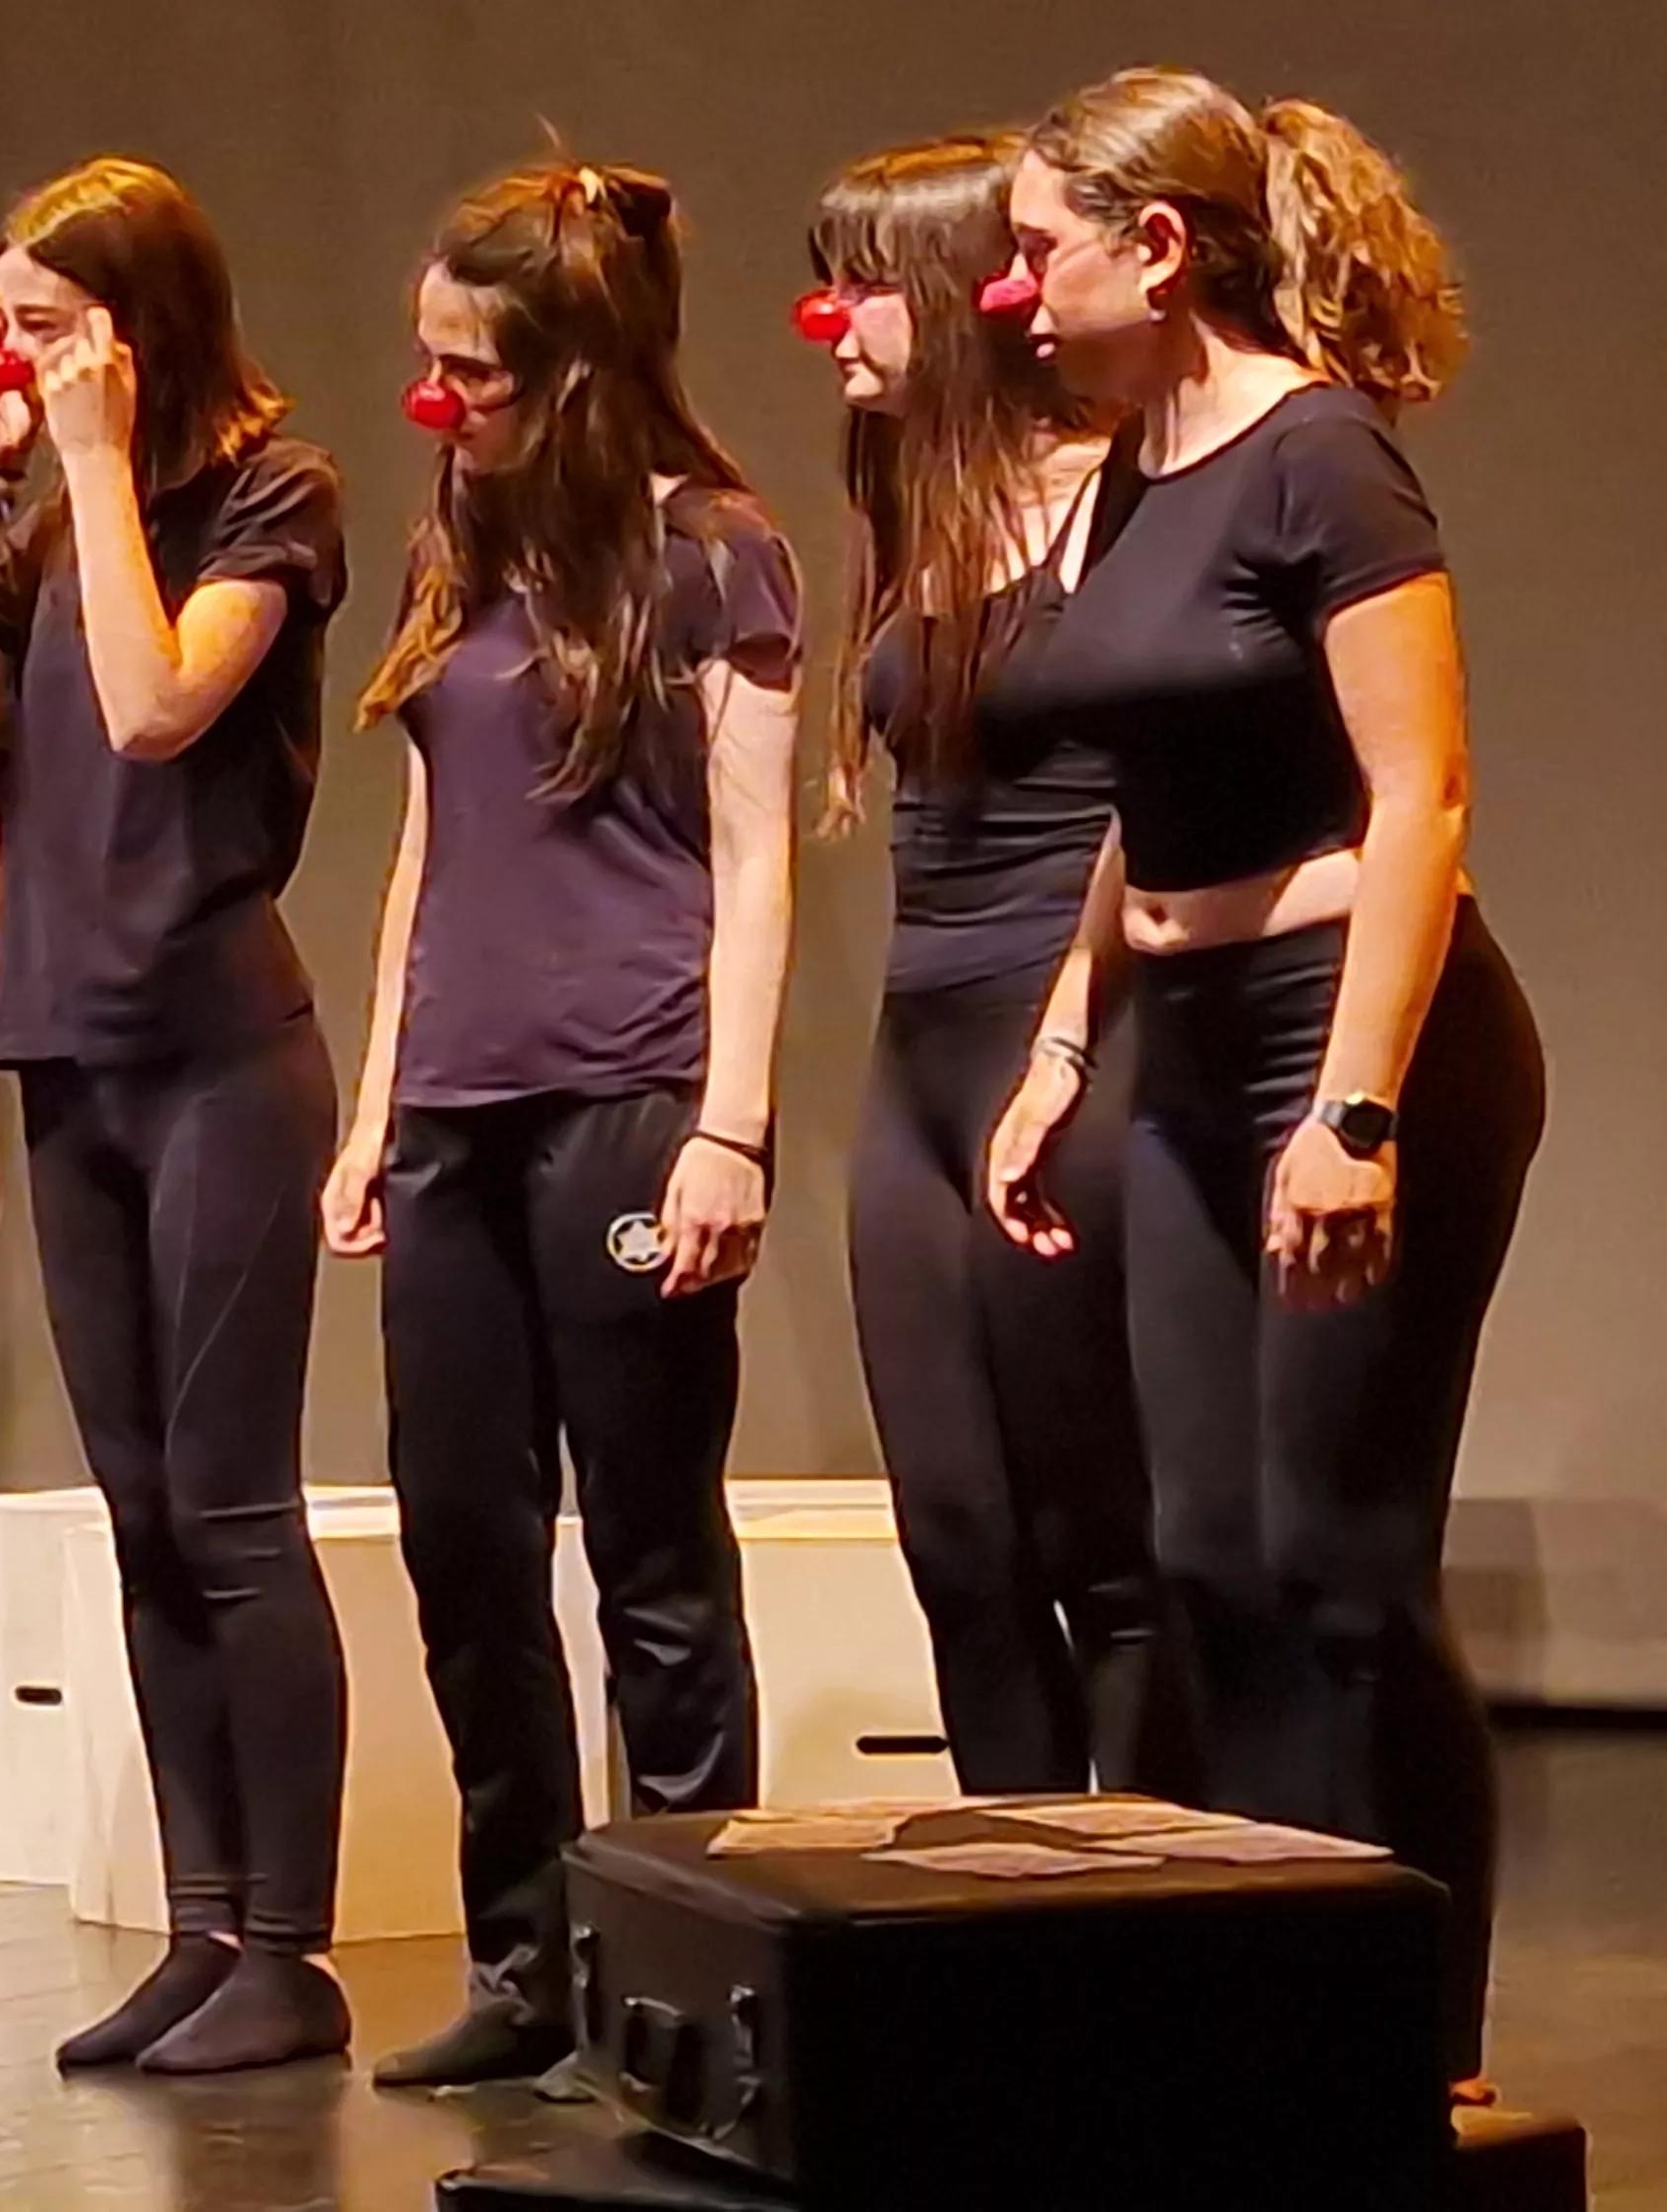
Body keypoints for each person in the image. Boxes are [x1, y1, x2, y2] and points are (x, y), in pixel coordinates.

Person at [990, 69, 1542, 2091]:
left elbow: (1422, 797)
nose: (1012, 287)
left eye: (1040, 245)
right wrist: (1065, 1040)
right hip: (1177, 1044)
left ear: (1156, 247)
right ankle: (1272, 1993)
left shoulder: (1323, 460)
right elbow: (1145, 801)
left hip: (1354, 1031)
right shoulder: (1128, 469)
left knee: (1334, 1562)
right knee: (1204, 1553)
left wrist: (1355, 1109)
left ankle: (1407, 2028)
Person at [0, 155, 354, 2077]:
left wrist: (86, 462)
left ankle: (293, 1952)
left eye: (50, 324)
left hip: (221, 1049)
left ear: (139, 329)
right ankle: (200, 1918)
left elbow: (159, 706)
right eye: (3, 324)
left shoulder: (270, 496)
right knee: (142, 1510)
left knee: (233, 1507)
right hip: (71, 1057)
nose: (19, 355)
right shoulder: (36, 515)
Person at [324, 159, 796, 2093]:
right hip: (455, 1110)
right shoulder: (469, 534)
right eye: (424, 368)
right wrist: (373, 1102)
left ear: (576, 370)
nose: (437, 403)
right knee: (460, 1541)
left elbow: (759, 859)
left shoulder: (710, 549)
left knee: (650, 1555)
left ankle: (686, 1977)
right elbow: (431, 842)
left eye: (474, 374)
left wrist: (730, 1124)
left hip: (624, 1099)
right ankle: (523, 1959)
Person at [807, 135, 1188, 1800]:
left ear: (976, 296)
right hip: (918, 1045)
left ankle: (1140, 1920)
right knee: (956, 1530)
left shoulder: (1125, 494)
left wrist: (1065, 1041)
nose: (835, 323)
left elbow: (1159, 787)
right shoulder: (910, 497)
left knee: (1102, 1530)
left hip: (1073, 1023)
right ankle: (1009, 1920)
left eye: (866, 283)